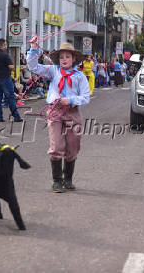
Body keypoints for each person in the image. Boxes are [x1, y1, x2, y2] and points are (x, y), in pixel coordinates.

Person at [27, 36, 90, 193]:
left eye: (67, 56)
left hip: (72, 112)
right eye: (61, 57)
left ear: (74, 59)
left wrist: (70, 100)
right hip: (55, 111)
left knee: (73, 146)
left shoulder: (80, 76)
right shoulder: (53, 70)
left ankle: (68, 179)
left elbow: (86, 97)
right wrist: (34, 48)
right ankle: (57, 180)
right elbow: (33, 66)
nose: (64, 59)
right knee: (57, 145)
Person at [0, 38, 22, 122]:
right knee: (10, 97)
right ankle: (16, 117)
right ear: (2, 45)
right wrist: (13, 69)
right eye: (5, 45)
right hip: (5, 79)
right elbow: (11, 66)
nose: (6, 46)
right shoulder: (5, 55)